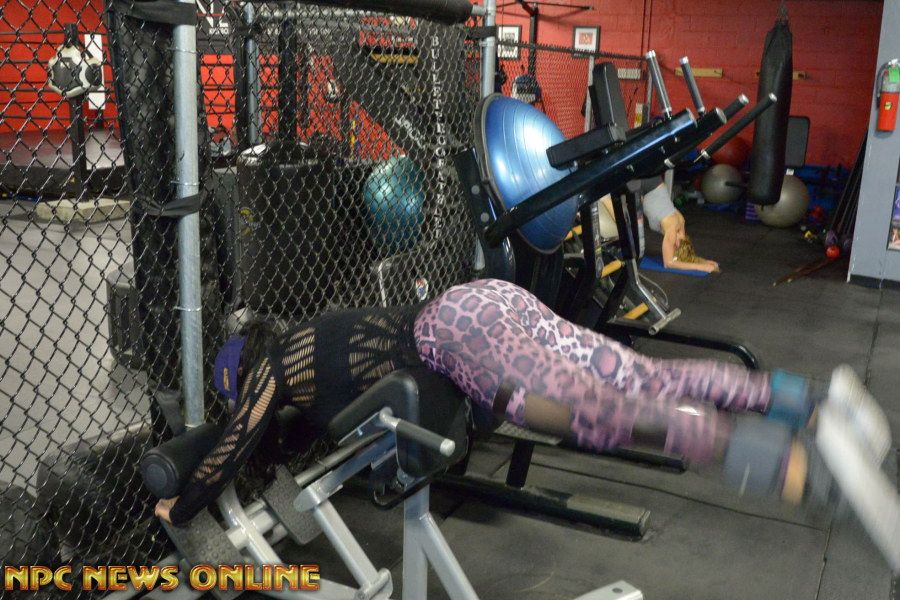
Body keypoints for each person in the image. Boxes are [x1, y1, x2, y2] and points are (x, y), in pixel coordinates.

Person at [153, 279, 898, 570]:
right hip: (483, 301)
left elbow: (235, 444)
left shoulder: (272, 370)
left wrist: (180, 507)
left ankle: (814, 473)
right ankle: (813, 401)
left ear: (240, 373)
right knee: (643, 376)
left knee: (614, 418)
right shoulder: (317, 326)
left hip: (465, 341)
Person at [601, 176, 720, 273]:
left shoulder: (681, 223)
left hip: (654, 183)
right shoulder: (672, 231)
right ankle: (602, 196)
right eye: (674, 248)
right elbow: (668, 263)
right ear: (677, 245)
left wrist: (702, 261)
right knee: (625, 223)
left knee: (632, 214)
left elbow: (687, 255)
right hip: (647, 186)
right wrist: (700, 267)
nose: (671, 246)